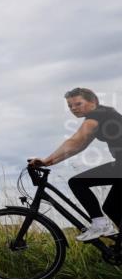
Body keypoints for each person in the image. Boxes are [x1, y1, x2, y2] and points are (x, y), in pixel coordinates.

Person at [29, 87, 121, 242]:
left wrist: (46, 160)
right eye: (70, 106)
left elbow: (74, 141)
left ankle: (100, 224)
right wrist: (50, 162)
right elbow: (79, 146)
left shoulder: (96, 116)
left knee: (77, 183)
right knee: (111, 208)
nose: (73, 109)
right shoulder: (103, 115)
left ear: (93, 102)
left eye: (78, 104)